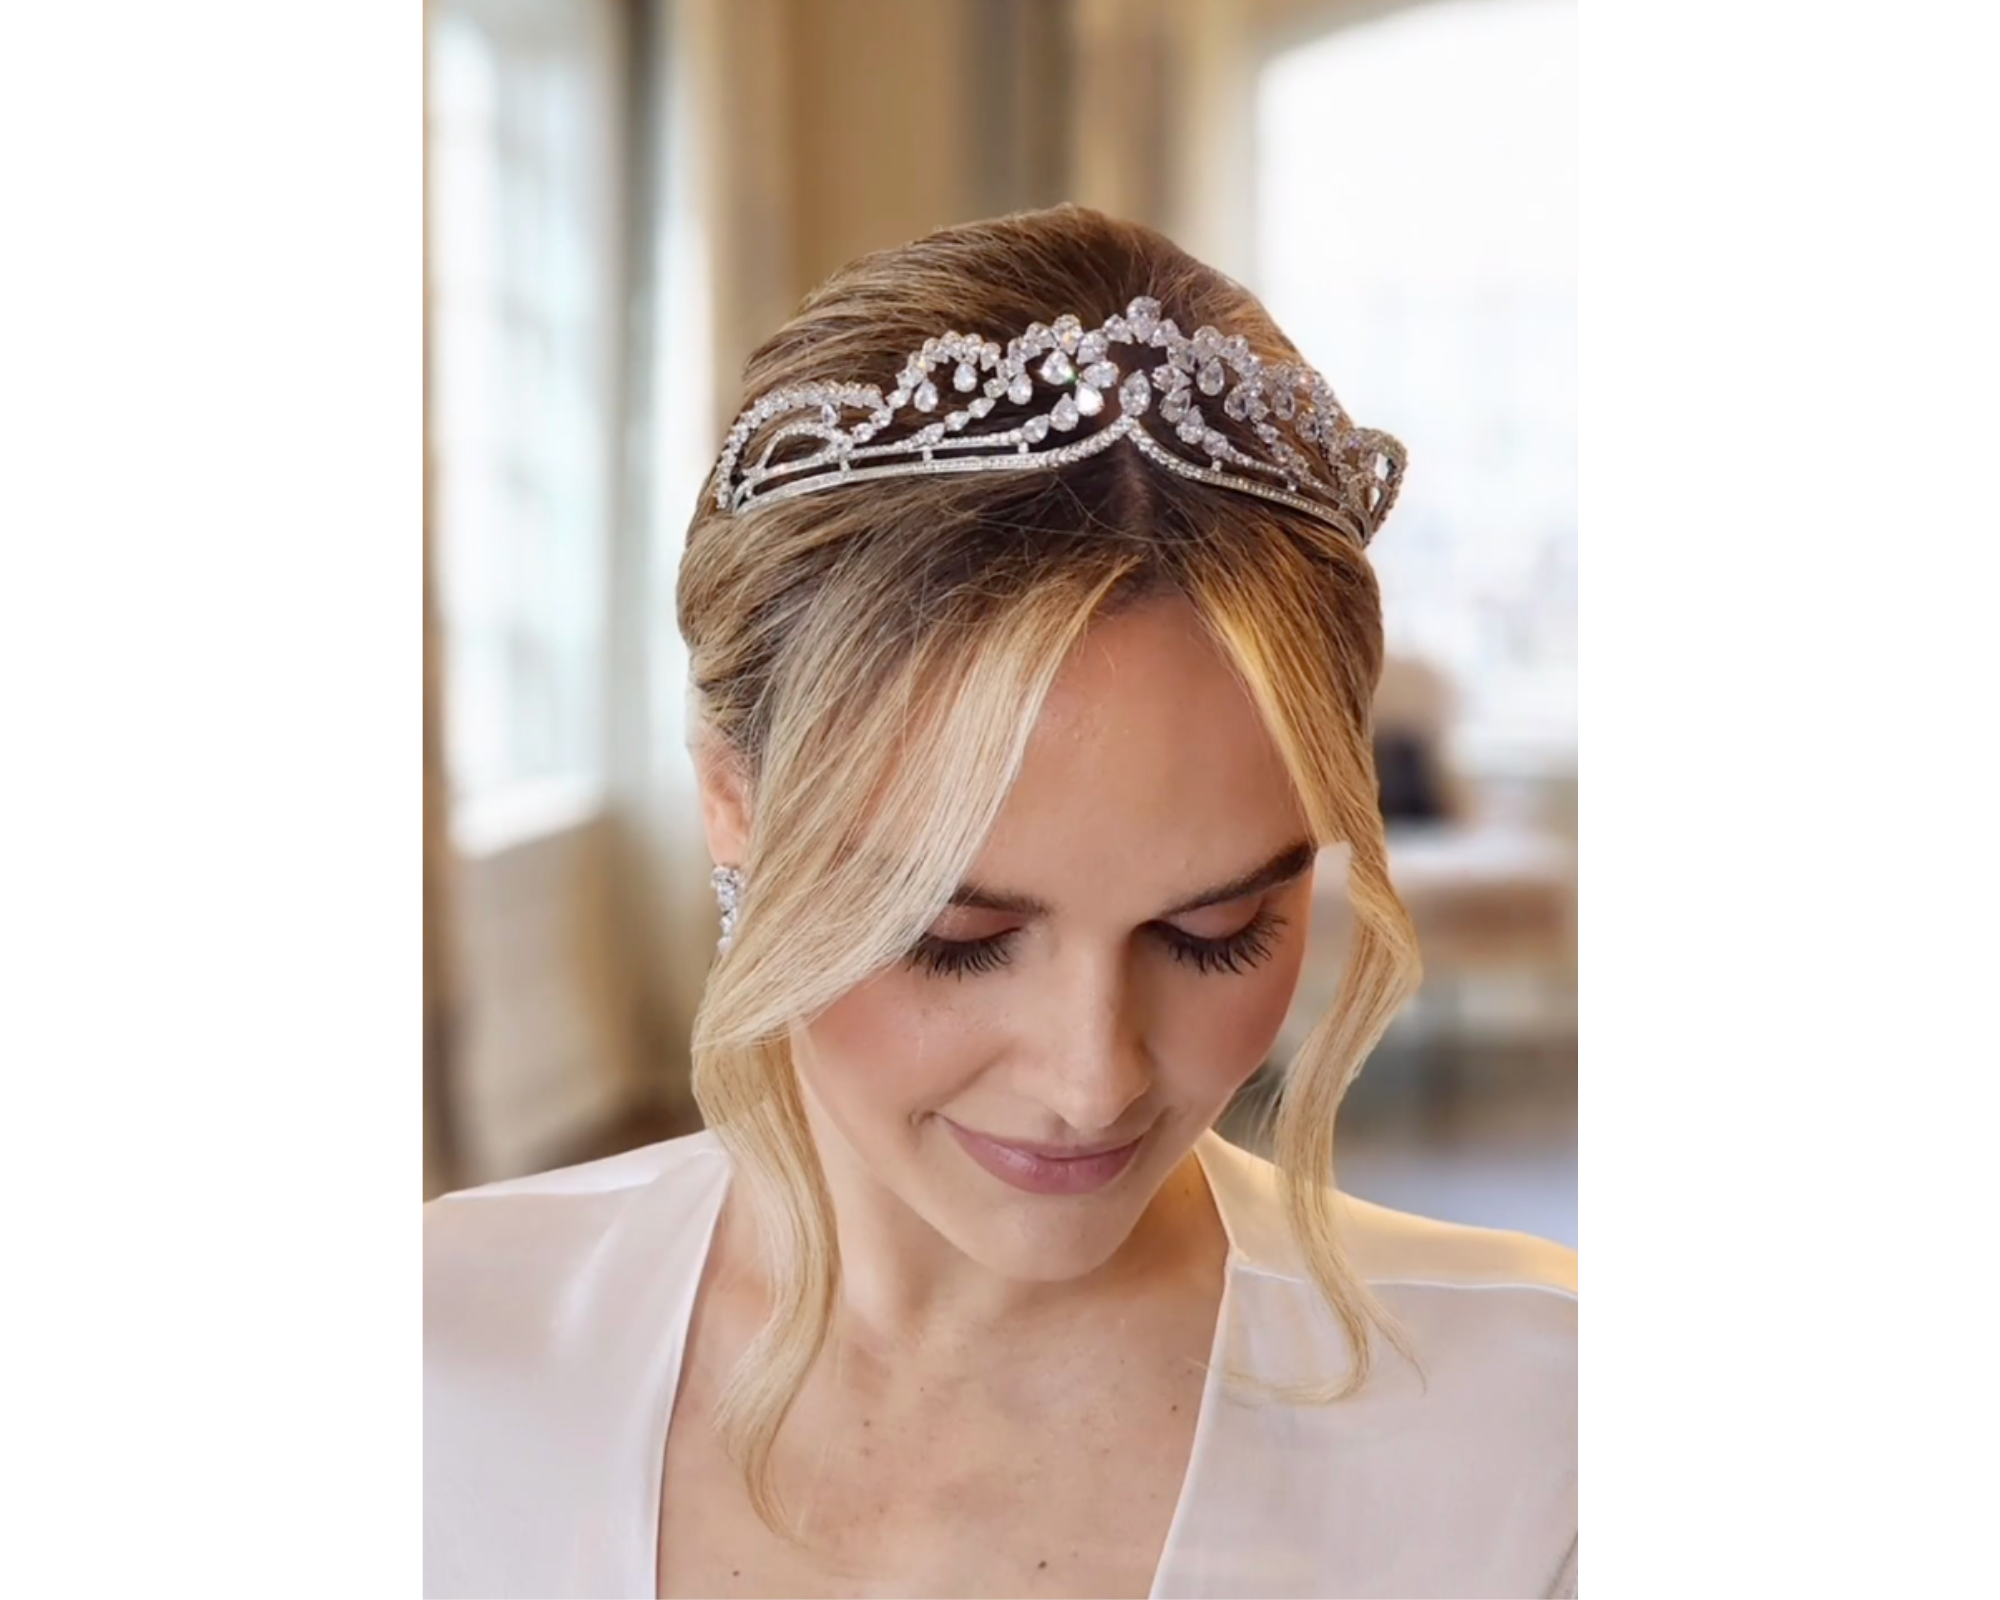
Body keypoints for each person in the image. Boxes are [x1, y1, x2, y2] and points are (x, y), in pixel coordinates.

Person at [424, 205, 1577, 1600]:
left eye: (1218, 933)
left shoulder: (1540, 1431)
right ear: (732, 798)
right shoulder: (429, 1369)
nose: (1094, 1083)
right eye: (953, 941)